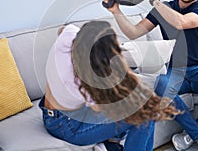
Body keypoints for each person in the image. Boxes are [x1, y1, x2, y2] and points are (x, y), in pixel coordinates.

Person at [103, 0, 198, 151]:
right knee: (162, 84)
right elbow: (133, 32)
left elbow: (181, 22)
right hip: (176, 69)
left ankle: (196, 131)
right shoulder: (163, 9)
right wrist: (116, 12)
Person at [39, 20, 181, 151]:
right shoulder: (81, 84)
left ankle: (111, 144)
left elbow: (62, 30)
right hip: (67, 126)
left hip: (52, 112)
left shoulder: (68, 35)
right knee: (143, 116)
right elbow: (107, 107)